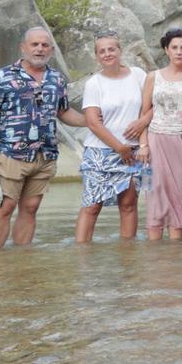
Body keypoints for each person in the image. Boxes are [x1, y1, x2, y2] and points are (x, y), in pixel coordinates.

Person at [0, 27, 88, 250]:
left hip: (45, 154)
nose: (39, 49)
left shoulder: (56, 79)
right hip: (11, 153)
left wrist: (91, 121)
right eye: (35, 44)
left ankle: (21, 259)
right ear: (23, 47)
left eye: (45, 45)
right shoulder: (3, 76)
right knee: (5, 207)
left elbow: (64, 112)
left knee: (31, 208)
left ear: (51, 50)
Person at [75, 32, 148, 243]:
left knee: (128, 205)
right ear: (97, 56)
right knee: (92, 205)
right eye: (102, 51)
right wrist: (119, 147)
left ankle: (127, 257)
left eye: (111, 49)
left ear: (120, 50)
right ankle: (82, 257)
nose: (107, 54)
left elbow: (151, 107)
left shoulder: (138, 75)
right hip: (100, 153)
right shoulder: (94, 83)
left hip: (133, 152)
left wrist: (142, 124)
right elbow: (93, 123)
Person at [139, 27, 182, 241]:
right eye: (175, 47)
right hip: (156, 139)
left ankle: (175, 253)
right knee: (156, 192)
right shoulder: (153, 77)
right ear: (166, 50)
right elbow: (143, 113)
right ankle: (154, 253)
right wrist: (143, 145)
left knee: (180, 195)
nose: (179, 52)